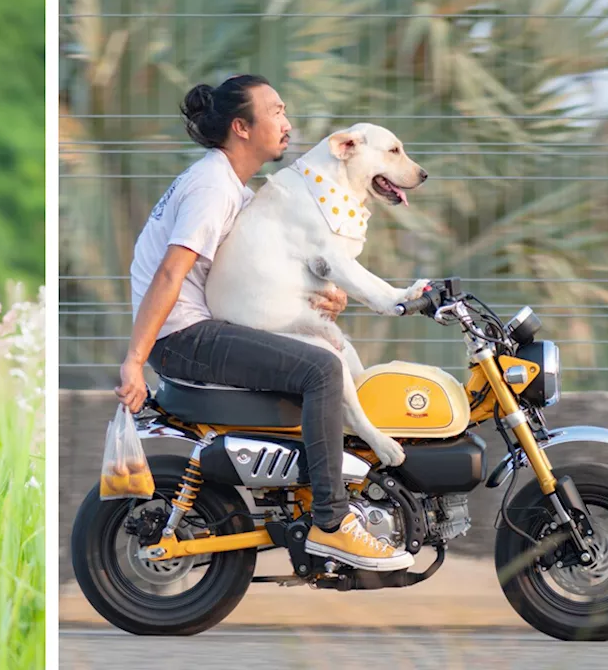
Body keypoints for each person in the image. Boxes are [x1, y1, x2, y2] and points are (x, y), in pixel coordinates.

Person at [116, 74, 413, 572]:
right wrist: (134, 360)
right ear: (241, 127)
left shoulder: (237, 188)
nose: (287, 123)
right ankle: (332, 522)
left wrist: (322, 297)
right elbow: (171, 271)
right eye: (275, 111)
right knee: (320, 369)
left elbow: (265, 271)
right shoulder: (211, 187)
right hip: (185, 334)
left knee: (327, 351)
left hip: (204, 325)